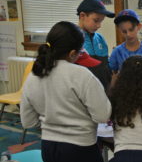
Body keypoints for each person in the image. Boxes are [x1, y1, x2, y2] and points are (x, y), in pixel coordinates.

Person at [20, 21, 112, 162]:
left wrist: (51, 124)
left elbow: (28, 122)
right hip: (81, 149)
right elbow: (102, 115)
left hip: (48, 147)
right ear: (73, 53)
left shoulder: (34, 75)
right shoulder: (82, 75)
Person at [109, 9, 142, 78]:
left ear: (139, 26)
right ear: (119, 30)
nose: (128, 34)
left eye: (131, 30)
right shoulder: (117, 51)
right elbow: (113, 73)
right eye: (124, 31)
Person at [77, 0, 115, 88]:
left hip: (103, 91)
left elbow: (105, 66)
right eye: (96, 20)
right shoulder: (72, 38)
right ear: (82, 16)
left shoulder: (100, 38)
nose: (99, 25)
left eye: (101, 21)